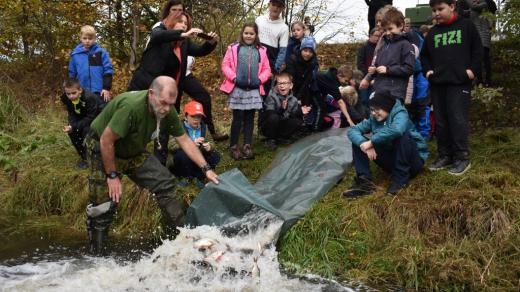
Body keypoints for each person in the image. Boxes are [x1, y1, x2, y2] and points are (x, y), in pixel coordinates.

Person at [85, 76, 219, 254]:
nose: (166, 109)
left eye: (171, 104)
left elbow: (185, 140)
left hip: (133, 150)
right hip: (102, 148)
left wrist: (206, 169)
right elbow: (106, 140)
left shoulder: (167, 111)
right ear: (151, 94)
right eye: (163, 103)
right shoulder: (131, 107)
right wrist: (112, 175)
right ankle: (97, 257)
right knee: (104, 205)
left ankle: (184, 239)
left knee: (165, 183)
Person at [128, 12, 219, 165]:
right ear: (171, 23)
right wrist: (181, 34)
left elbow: (199, 51)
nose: (184, 25)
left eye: (186, 23)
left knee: (163, 125)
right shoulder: (160, 36)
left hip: (166, 92)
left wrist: (211, 42)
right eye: (180, 22)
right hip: (145, 86)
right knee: (138, 122)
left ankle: (160, 161)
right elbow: (157, 36)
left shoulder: (183, 44)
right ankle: (128, 154)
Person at [420, 0, 483, 175]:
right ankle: (445, 156)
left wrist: (471, 71)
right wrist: (428, 72)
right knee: (440, 121)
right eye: (434, 10)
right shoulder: (432, 33)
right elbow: (424, 56)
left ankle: (462, 157)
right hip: (438, 84)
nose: (436, 13)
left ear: (452, 6)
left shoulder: (466, 26)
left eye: (440, 9)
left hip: (459, 83)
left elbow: (478, 50)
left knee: (457, 119)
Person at [343, 93, 428, 198]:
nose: (374, 113)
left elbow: (397, 129)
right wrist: (363, 144)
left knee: (403, 135)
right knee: (358, 142)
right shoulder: (373, 118)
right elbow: (353, 130)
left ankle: (400, 181)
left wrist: (371, 142)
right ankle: (364, 182)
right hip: (392, 160)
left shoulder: (400, 113)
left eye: (377, 109)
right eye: (372, 110)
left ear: (386, 106)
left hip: (412, 162)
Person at [220, 22, 272, 160]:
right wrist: (234, 77)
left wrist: (260, 79)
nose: (248, 36)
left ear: (256, 35)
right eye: (246, 33)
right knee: (237, 118)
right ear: (242, 34)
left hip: (254, 88)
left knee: (250, 118)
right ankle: (233, 146)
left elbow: (267, 69)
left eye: (252, 33)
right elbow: (225, 65)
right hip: (238, 87)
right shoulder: (233, 48)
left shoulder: (261, 50)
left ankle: (247, 145)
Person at [368, 7, 415, 102]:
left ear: (401, 26)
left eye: (390, 28)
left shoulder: (406, 45)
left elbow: (409, 69)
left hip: (395, 93)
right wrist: (374, 70)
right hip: (379, 90)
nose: (388, 33)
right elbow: (378, 65)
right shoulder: (383, 45)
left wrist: (388, 70)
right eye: (385, 30)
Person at [171, 100, 220, 188]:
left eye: (199, 117)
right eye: (193, 116)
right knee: (181, 156)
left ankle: (199, 176)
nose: (196, 120)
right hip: (184, 156)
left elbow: (212, 142)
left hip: (199, 155)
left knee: (215, 156)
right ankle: (186, 177)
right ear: (186, 116)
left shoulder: (203, 127)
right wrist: (190, 144)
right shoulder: (179, 127)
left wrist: (209, 147)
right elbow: (171, 145)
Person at [286, 36, 332, 131]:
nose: (307, 54)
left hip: (305, 88)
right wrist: (294, 97)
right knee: (291, 106)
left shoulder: (313, 63)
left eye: (310, 52)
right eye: (305, 50)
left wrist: (299, 97)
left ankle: (311, 128)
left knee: (306, 107)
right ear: (301, 49)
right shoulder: (292, 59)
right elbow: (290, 79)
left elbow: (307, 81)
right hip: (290, 86)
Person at [260, 72, 310, 149]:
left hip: (282, 123)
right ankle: (271, 139)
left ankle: (281, 138)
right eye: (279, 83)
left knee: (298, 121)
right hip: (268, 126)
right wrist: (282, 109)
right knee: (273, 117)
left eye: (285, 83)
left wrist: (300, 112)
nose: (282, 86)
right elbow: (270, 113)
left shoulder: (293, 99)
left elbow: (292, 115)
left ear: (291, 85)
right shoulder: (271, 95)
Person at [184, 56, 229, 141]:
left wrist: (191, 59)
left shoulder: (185, 44)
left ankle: (208, 132)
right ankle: (165, 142)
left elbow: (196, 50)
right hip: (170, 74)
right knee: (172, 104)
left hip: (185, 74)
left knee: (204, 97)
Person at [68, 25, 113, 108]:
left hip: (100, 92)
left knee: (101, 115)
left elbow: (108, 71)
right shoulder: (75, 55)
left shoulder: (101, 53)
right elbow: (72, 74)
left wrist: (106, 88)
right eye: (85, 38)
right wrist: (73, 90)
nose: (87, 41)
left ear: (94, 39)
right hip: (82, 91)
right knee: (85, 115)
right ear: (81, 38)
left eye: (90, 38)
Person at [60, 78, 101, 169]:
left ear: (80, 90)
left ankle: (92, 158)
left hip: (96, 119)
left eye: (74, 93)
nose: (71, 96)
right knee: (72, 132)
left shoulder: (89, 97)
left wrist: (75, 126)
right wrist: (71, 126)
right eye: (68, 94)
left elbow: (91, 117)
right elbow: (71, 113)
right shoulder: (66, 98)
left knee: (86, 132)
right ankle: (84, 158)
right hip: (82, 117)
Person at [256, 0, 289, 94]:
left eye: (279, 6)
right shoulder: (259, 19)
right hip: (253, 61)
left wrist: (275, 68)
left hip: (269, 65)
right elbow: (250, 37)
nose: (276, 8)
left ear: (283, 8)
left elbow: (283, 51)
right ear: (269, 5)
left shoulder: (284, 28)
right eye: (273, 5)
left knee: (265, 94)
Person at [463, 0, 492, 86]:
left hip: (484, 37)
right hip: (476, 38)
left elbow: (473, 7)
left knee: (485, 60)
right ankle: (480, 80)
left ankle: (488, 81)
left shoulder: (484, 4)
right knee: (477, 60)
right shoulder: (473, 9)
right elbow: (464, 12)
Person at [356, 28, 382, 105]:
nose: (378, 38)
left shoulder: (381, 49)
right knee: (364, 101)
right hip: (365, 78)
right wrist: (368, 77)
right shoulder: (363, 48)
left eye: (379, 36)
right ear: (370, 36)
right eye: (376, 35)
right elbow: (360, 65)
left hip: (377, 79)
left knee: (375, 101)